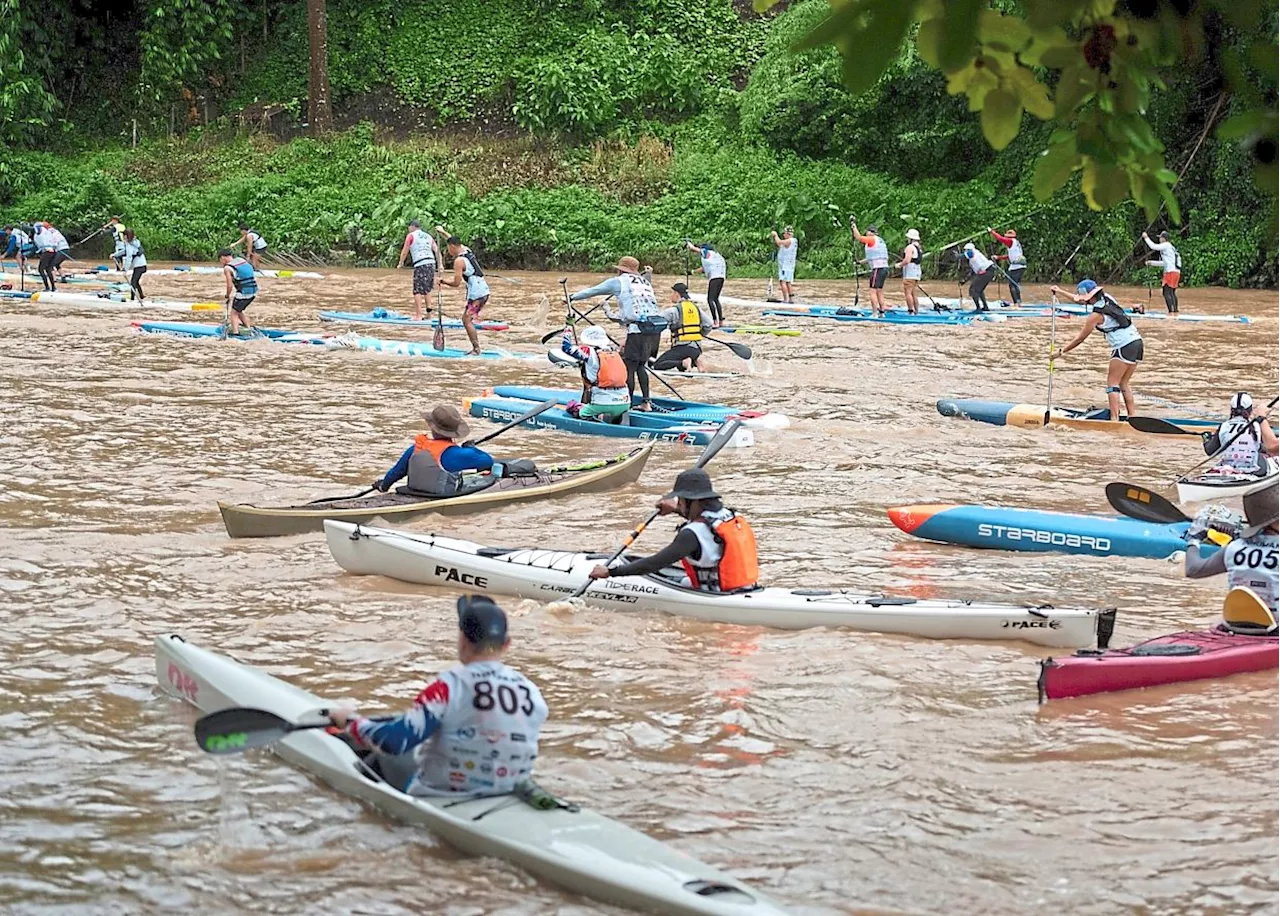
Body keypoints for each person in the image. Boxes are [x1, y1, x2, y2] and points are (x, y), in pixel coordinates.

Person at [328, 595, 549, 797]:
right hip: (507, 793)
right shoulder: (531, 691)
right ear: (507, 644)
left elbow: (394, 742)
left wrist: (351, 722)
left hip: (442, 794)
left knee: (377, 753)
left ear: (462, 639)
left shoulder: (446, 687)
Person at [588, 469, 759, 593]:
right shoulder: (729, 515)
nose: (679, 503)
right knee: (680, 578)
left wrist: (610, 572)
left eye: (681, 500)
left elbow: (653, 564)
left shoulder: (690, 535)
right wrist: (676, 509)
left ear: (693, 501)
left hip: (713, 593)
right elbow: (706, 525)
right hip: (744, 587)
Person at [570, 256, 665, 411]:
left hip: (637, 331)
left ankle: (625, 403)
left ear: (620, 269)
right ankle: (646, 402)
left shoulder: (618, 281)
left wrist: (571, 297)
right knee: (641, 366)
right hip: (653, 330)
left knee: (630, 368)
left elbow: (593, 291)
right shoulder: (645, 282)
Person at [1184, 479, 1280, 621]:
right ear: (1277, 523)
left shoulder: (1234, 548)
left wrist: (1194, 540)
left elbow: (1193, 570)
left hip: (1233, 624)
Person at [1049, 279, 1143, 421]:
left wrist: (1061, 352)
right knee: (1123, 383)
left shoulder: (1095, 316)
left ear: (1090, 297)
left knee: (1112, 383)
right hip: (1137, 342)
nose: (1083, 302)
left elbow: (1080, 339)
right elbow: (1078, 300)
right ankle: (1133, 417)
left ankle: (1114, 419)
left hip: (1123, 345)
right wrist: (1060, 291)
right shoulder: (1107, 298)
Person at [375, 404, 497, 496]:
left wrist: (383, 486)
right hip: (439, 496)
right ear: (454, 432)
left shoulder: (416, 448)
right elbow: (487, 461)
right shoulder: (458, 454)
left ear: (432, 428)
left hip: (414, 493)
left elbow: (396, 472)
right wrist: (470, 448)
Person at [560, 325, 631, 423]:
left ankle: (600, 416)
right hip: (624, 402)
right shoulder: (613, 350)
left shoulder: (589, 351)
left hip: (602, 403)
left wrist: (568, 331)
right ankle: (614, 416)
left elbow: (566, 347)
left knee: (580, 412)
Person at [437, 232, 490, 355]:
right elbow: (452, 239)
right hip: (482, 289)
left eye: (448, 248)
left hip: (478, 293)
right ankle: (476, 348)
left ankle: (476, 350)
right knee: (467, 318)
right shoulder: (467, 250)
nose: (448, 251)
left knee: (466, 319)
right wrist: (442, 232)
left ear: (452, 247)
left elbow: (456, 283)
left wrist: (442, 281)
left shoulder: (459, 261)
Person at [1201, 393, 1279, 473]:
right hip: (1251, 471)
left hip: (1227, 468)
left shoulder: (1224, 426)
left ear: (1231, 410)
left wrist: (1206, 438)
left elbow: (1210, 451)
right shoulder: (1257, 426)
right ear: (1250, 410)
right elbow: (1267, 448)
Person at [652, 282, 712, 373]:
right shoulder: (696, 308)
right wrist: (699, 334)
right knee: (681, 367)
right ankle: (697, 361)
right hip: (697, 349)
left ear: (677, 294)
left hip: (682, 348)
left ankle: (684, 363)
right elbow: (709, 324)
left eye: (672, 293)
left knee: (657, 365)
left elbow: (656, 321)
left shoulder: (673, 311)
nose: (671, 296)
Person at [396, 219, 441, 321]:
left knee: (417, 290)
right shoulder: (428, 236)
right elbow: (437, 251)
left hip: (421, 264)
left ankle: (418, 315)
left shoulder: (411, 236)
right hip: (431, 263)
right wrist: (440, 265)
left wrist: (401, 263)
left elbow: (405, 250)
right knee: (427, 289)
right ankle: (429, 314)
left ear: (412, 227)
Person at [851, 220, 889, 317]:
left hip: (877, 269)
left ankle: (874, 313)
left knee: (872, 291)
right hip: (884, 268)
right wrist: (859, 262)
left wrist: (854, 226)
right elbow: (870, 258)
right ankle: (882, 312)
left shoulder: (872, 239)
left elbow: (859, 238)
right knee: (879, 291)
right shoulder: (880, 241)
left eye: (867, 232)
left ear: (870, 232)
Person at [685, 240, 726, 326]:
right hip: (721, 278)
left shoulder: (706, 252)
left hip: (714, 277)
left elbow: (693, 248)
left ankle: (715, 321)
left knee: (710, 299)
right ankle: (721, 321)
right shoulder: (715, 256)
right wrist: (692, 272)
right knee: (715, 299)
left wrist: (688, 243)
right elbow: (704, 268)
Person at [219, 247, 258, 335]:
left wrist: (227, 295)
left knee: (233, 313)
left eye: (220, 260)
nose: (221, 263)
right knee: (238, 310)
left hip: (244, 292)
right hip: (254, 291)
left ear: (223, 258)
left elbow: (229, 285)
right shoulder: (241, 260)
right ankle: (248, 328)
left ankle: (235, 333)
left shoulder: (227, 268)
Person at [1142, 230, 1181, 313]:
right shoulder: (1171, 248)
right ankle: (1175, 312)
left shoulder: (1166, 245)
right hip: (1176, 272)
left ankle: (1171, 312)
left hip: (1170, 272)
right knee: (1172, 292)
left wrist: (1146, 238)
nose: (1159, 240)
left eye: (1160, 238)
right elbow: (1164, 263)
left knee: (1166, 292)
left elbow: (1153, 246)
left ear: (1164, 239)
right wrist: (1151, 263)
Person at [989, 227, 1026, 305]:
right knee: (1015, 284)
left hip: (1016, 266)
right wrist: (998, 257)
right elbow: (1009, 256)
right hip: (1020, 266)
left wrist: (992, 232)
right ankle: (1019, 302)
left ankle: (1016, 303)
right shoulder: (1015, 243)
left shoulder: (1010, 241)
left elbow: (1000, 238)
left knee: (1012, 285)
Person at [962, 242, 996, 311]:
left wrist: (958, 256)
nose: (965, 252)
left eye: (966, 250)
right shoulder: (973, 259)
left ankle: (978, 309)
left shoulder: (973, 252)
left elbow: (968, 254)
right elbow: (973, 272)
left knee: (973, 289)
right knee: (979, 290)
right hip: (988, 272)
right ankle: (985, 307)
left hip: (987, 271)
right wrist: (964, 281)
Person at [770, 226, 798, 304]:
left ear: (788, 234)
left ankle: (786, 300)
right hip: (789, 266)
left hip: (785, 266)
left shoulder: (789, 241)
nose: (783, 235)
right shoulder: (792, 241)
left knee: (783, 281)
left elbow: (779, 242)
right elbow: (780, 244)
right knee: (788, 282)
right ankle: (791, 299)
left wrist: (775, 235)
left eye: (784, 233)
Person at [900, 228, 923, 315]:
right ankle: (916, 311)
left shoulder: (910, 247)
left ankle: (910, 311)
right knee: (913, 293)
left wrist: (899, 265)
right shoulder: (919, 248)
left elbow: (907, 260)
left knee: (908, 293)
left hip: (910, 273)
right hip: (917, 273)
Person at [121, 229, 147, 302]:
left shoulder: (130, 245)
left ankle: (132, 298)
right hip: (142, 265)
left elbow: (129, 258)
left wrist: (125, 270)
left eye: (123, 235)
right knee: (136, 281)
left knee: (133, 282)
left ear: (126, 236)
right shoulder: (136, 242)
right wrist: (115, 255)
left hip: (139, 266)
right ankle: (141, 296)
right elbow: (124, 252)